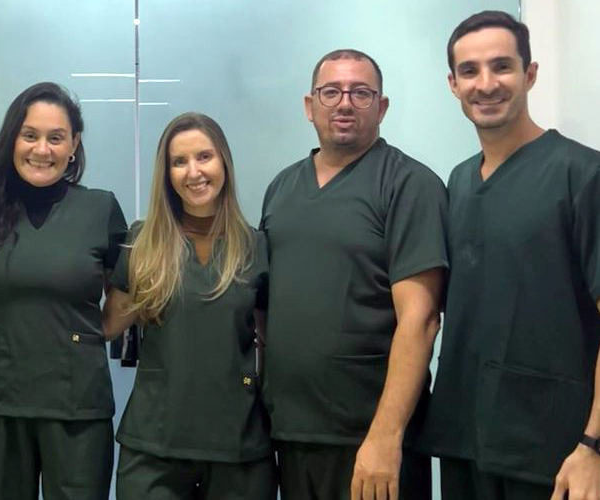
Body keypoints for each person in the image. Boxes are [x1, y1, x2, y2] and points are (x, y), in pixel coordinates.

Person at [418, 10, 600, 500]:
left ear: (530, 74)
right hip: (465, 439)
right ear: (453, 85)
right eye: (470, 71)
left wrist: (593, 446)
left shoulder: (582, 175)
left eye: (502, 66)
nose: (486, 84)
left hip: (553, 452)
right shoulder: (458, 181)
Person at [258, 49, 448, 500]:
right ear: (310, 106)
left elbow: (421, 320)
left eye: (361, 93)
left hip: (371, 440)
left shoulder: (409, 185)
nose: (345, 103)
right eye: (331, 92)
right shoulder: (282, 187)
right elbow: (267, 307)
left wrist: (385, 436)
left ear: (382, 107)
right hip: (292, 433)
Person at [0, 82, 127, 500]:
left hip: (77, 402)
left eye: (56, 137)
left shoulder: (100, 208)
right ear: (12, 139)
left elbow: (125, 294)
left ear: (74, 144)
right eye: (30, 135)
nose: (42, 149)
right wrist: (9, 333)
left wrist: (89, 334)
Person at [102, 112, 275, 499]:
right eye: (179, 161)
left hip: (239, 446)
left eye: (204, 157)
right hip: (154, 446)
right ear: (166, 174)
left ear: (224, 162)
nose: (193, 172)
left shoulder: (256, 247)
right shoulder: (143, 244)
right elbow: (107, 327)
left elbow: (272, 345)